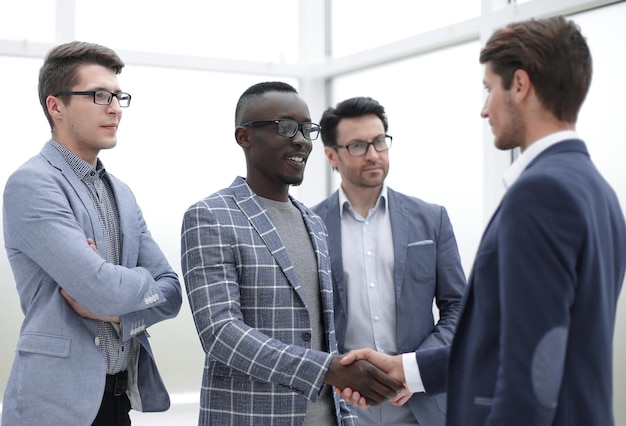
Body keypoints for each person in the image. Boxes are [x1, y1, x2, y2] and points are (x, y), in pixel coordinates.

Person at [337, 15, 626, 426]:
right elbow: (514, 342)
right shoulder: (597, 189)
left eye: (489, 89)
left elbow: (530, 373)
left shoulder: (540, 194)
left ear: (520, 85)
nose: (484, 109)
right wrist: (407, 369)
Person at [180, 81, 402, 425]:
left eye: (306, 128)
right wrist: (325, 369)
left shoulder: (314, 222)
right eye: (284, 127)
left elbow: (323, 336)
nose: (300, 139)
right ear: (244, 137)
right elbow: (220, 333)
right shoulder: (210, 216)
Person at [1, 41, 183, 426]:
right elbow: (99, 289)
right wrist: (130, 283)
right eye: (99, 95)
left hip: (119, 399)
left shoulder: (122, 192)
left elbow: (171, 293)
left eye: (118, 96)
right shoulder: (32, 184)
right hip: (54, 406)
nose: (114, 107)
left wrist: (118, 312)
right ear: (56, 106)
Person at [311, 96, 466, 425]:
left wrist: (413, 368)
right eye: (357, 146)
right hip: (342, 405)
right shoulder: (310, 226)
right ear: (331, 155)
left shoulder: (431, 219)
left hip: (421, 403)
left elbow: (458, 307)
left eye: (379, 141)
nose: (373, 154)